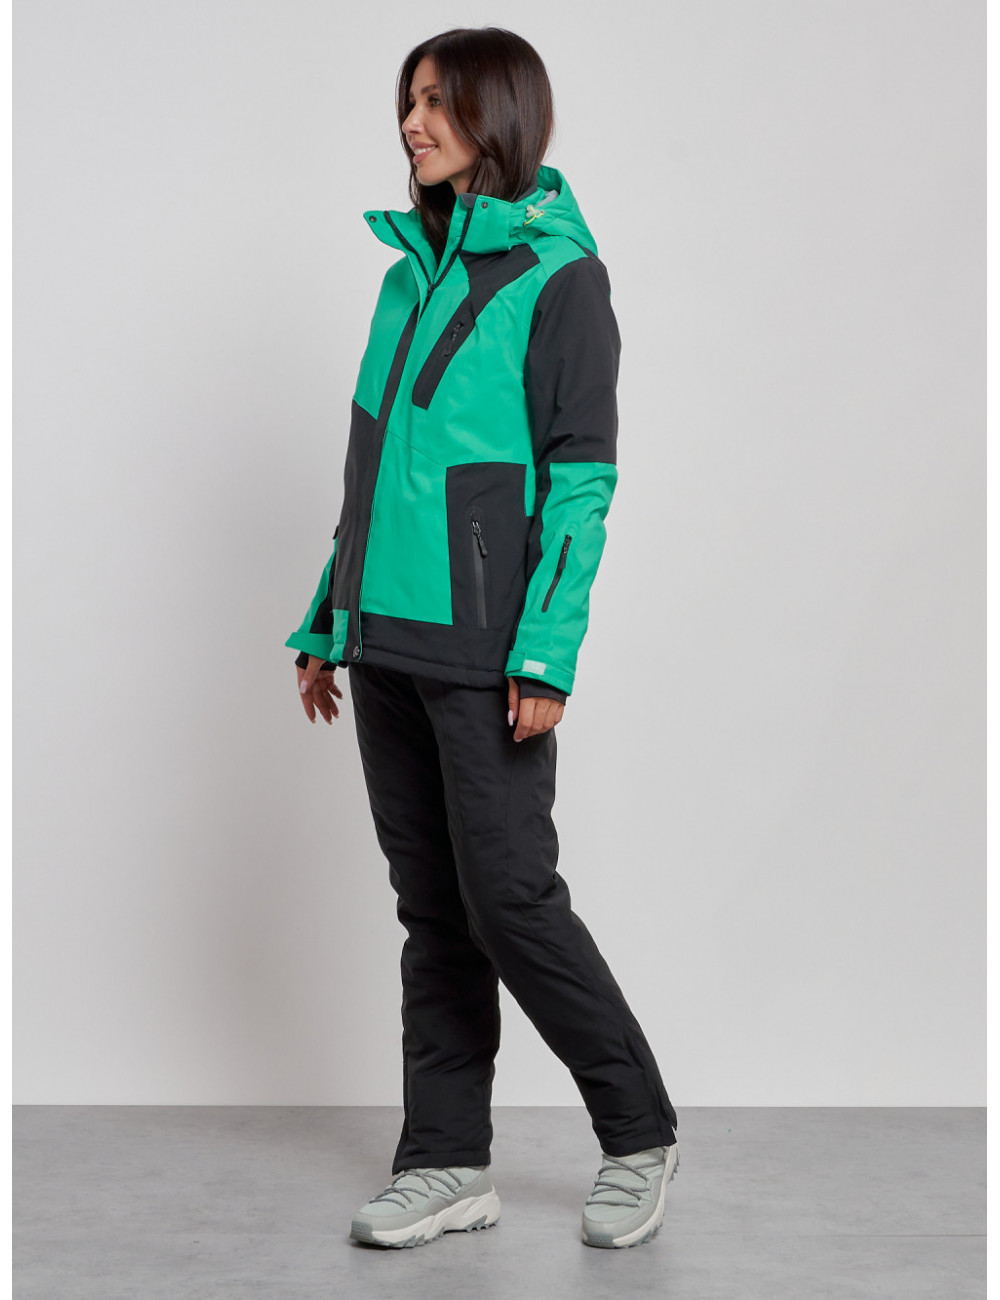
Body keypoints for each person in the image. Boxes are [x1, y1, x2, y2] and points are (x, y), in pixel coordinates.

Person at [285, 26, 679, 1251]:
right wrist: (328, 617)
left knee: (509, 901)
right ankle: (445, 1160)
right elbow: (371, 469)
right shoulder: (404, 276)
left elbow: (581, 481)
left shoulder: (562, 278)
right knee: (431, 912)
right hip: (385, 644)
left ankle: (639, 1131)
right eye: (407, 101)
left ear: (495, 114)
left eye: (437, 102)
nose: (412, 124)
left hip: (488, 653)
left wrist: (545, 652)